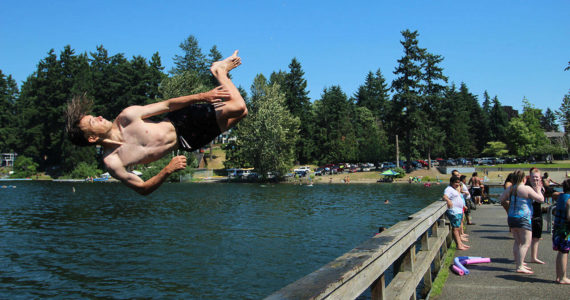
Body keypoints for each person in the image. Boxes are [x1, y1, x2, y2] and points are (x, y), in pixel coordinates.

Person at [66, 51, 247, 195]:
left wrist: (202, 97)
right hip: (188, 142)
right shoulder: (113, 163)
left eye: (94, 116)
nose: (99, 117)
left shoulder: (126, 117)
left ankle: (219, 71)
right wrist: (167, 170)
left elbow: (167, 105)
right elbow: (143, 188)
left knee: (238, 106)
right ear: (92, 138)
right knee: (243, 113)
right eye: (92, 121)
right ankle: (221, 72)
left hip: (182, 121)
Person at [500, 170, 544, 274]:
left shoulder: (510, 188)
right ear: (524, 178)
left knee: (517, 241)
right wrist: (538, 190)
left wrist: (510, 203)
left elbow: (501, 199)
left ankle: (519, 262)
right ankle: (519, 266)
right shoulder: (526, 188)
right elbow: (541, 199)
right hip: (523, 218)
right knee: (525, 243)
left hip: (511, 217)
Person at [443, 176, 470, 250]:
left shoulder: (453, 189)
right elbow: (445, 197)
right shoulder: (448, 189)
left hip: (458, 211)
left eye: (458, 183)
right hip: (454, 212)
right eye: (456, 183)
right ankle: (458, 245)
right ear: (451, 182)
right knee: (455, 229)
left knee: (457, 228)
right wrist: (448, 201)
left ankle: (460, 243)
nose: (457, 184)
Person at [526, 168, 546, 264]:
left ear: (540, 178)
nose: (535, 180)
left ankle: (534, 257)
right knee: (525, 238)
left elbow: (541, 199)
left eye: (537, 178)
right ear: (529, 178)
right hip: (527, 215)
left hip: (537, 214)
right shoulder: (526, 188)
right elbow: (538, 199)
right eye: (533, 177)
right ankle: (521, 258)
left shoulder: (541, 188)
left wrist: (538, 190)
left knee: (536, 237)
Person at [552, 179, 570, 284]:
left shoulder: (561, 197)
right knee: (564, 252)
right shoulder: (569, 200)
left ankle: (558, 276)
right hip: (565, 231)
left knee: (560, 252)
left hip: (557, 229)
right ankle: (563, 277)